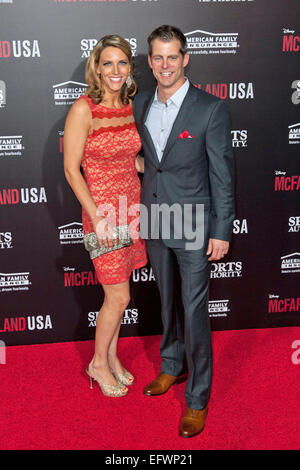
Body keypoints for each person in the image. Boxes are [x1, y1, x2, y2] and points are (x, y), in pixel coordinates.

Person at [133, 25, 235, 436]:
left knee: (194, 311)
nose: (164, 65)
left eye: (172, 56)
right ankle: (172, 367)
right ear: (150, 61)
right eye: (157, 57)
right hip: (156, 219)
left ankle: (197, 397)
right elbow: (149, 161)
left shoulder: (210, 108)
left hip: (194, 224)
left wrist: (221, 229)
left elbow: (223, 175)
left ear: (186, 58)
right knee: (166, 302)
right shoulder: (141, 102)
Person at [64, 35, 147, 398]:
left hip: (131, 209)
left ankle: (111, 358)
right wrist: (96, 215)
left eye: (122, 63)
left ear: (130, 68)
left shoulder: (130, 104)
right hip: (103, 214)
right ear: (97, 68)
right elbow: (71, 169)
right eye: (108, 63)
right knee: (119, 297)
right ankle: (98, 363)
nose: (115, 71)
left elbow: (133, 159)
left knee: (120, 294)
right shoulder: (84, 109)